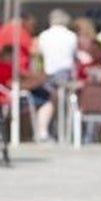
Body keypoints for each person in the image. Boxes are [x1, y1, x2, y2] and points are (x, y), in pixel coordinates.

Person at [34, 9, 77, 142]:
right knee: (65, 103)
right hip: (65, 73)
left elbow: (38, 54)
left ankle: (43, 132)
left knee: (49, 101)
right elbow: (74, 55)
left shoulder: (43, 35)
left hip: (48, 72)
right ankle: (64, 132)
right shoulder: (71, 36)